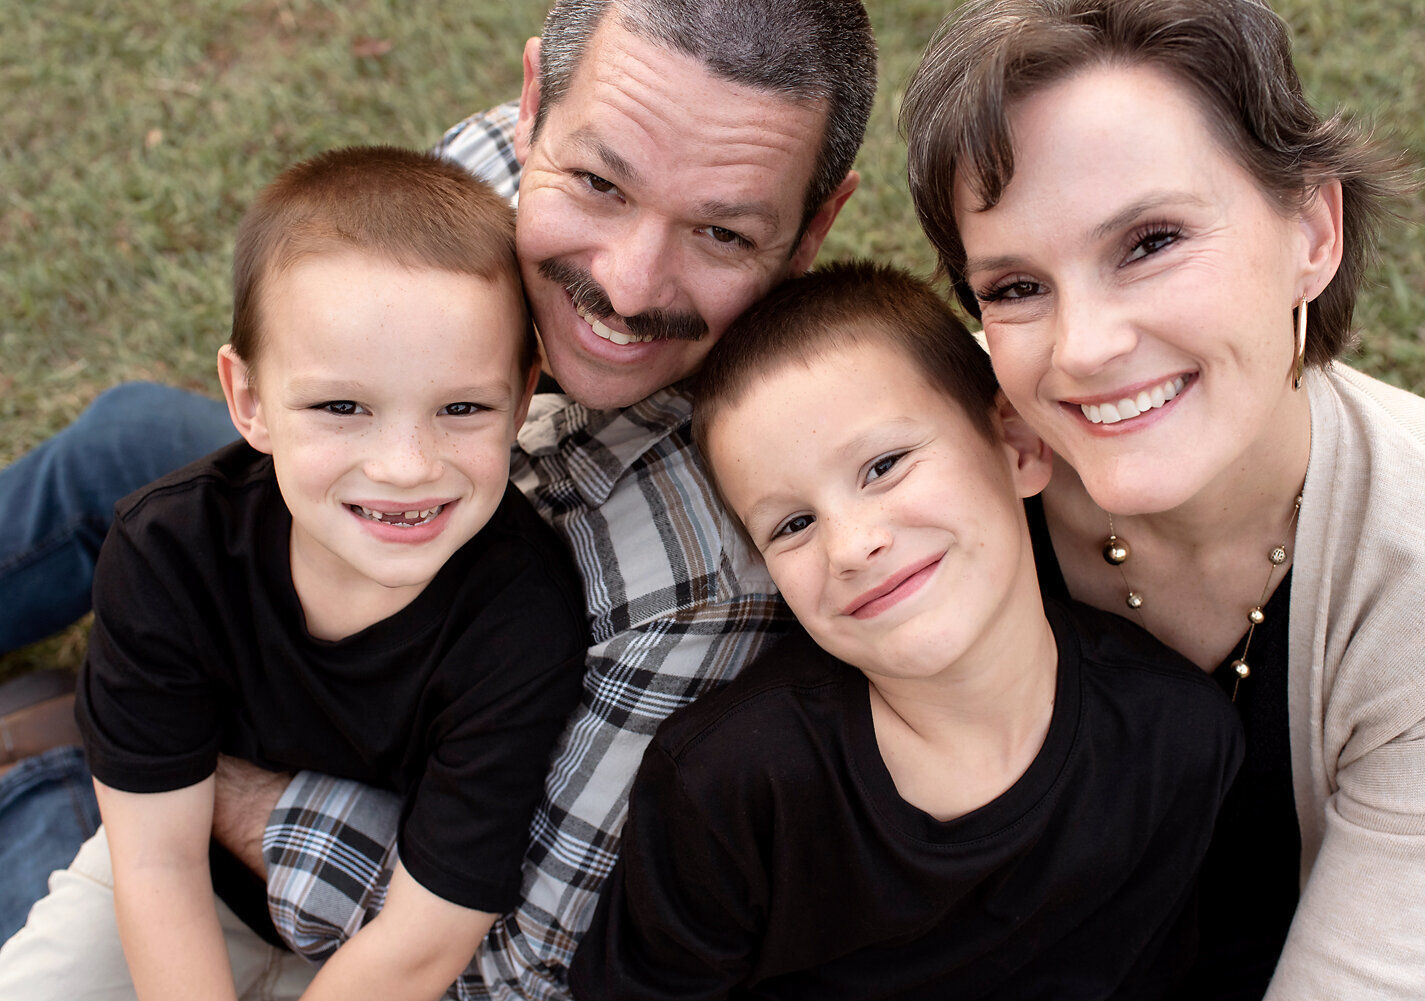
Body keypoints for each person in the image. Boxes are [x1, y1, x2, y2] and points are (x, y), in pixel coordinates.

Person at [0, 2, 876, 998]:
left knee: (99, 821)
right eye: (597, 183)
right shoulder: (476, 175)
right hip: (295, 609)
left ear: (814, 225)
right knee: (124, 449)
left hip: (379, 881)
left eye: (721, 230)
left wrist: (198, 772)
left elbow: (512, 964)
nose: (627, 286)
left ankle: (52, 769)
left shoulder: (700, 576)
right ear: (534, 104)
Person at [899, 1, 1425, 999]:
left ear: (1312, 229)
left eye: (1150, 240)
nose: (1084, 346)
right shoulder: (926, 463)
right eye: (1013, 287)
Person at [0, 145, 592, 1001]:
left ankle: (51, 757)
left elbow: (424, 941)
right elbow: (156, 865)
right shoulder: (169, 549)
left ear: (522, 394)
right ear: (247, 401)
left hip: (373, 956)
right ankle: (69, 756)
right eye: (341, 407)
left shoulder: (524, 619)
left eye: (462, 407)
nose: (405, 465)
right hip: (189, 882)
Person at [567, 261, 1243, 999]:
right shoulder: (731, 782)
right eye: (793, 524)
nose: (850, 544)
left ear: (1017, 445)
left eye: (884, 465)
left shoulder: (1175, 738)